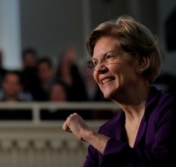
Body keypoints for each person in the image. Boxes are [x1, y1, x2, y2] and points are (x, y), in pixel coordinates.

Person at [62, 15, 176, 167]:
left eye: (109, 57)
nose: (99, 69)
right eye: (95, 63)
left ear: (141, 62)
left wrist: (89, 135)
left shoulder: (169, 109)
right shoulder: (107, 131)